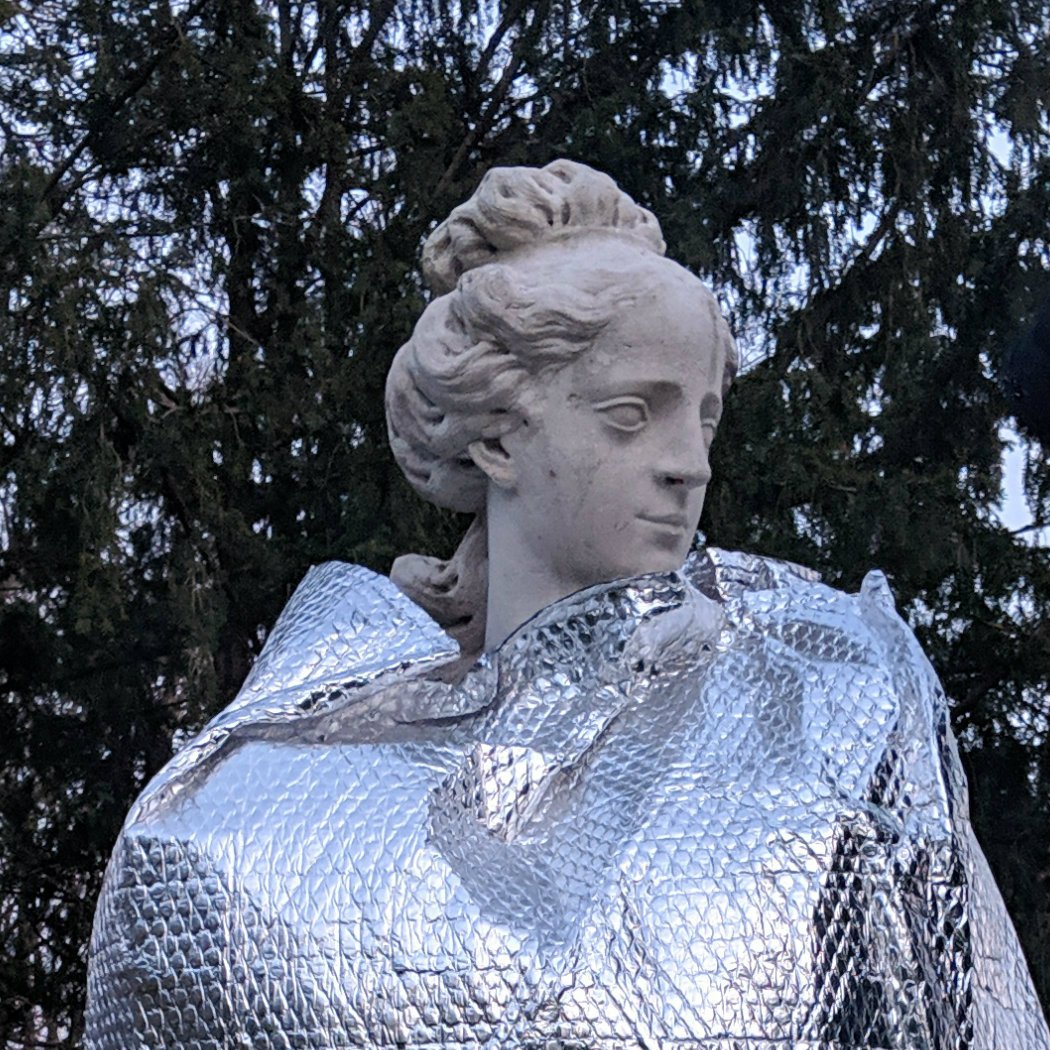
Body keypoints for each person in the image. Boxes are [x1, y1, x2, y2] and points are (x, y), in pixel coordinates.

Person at [84, 160, 1050, 1048]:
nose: (691, 464)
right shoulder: (245, 807)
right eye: (633, 414)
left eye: (705, 416)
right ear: (498, 437)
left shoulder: (825, 709)